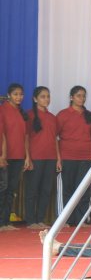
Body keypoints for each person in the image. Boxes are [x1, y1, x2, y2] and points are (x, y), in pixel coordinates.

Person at [56, 86, 91, 227]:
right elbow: (55, 137)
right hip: (67, 157)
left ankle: (81, 220)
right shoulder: (63, 115)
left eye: (84, 96)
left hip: (86, 157)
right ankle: (66, 220)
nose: (82, 98)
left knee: (84, 190)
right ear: (71, 97)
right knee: (68, 189)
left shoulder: (89, 115)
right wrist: (58, 158)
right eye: (78, 95)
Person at [25, 86, 60, 229]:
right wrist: (28, 157)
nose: (46, 99)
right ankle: (30, 220)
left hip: (50, 158)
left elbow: (55, 139)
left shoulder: (52, 117)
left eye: (48, 96)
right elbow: (26, 138)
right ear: (35, 99)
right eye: (43, 96)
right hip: (36, 157)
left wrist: (58, 158)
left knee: (46, 190)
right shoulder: (29, 115)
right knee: (32, 189)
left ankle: (40, 219)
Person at [0, 84, 32, 230]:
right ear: (9, 95)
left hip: (18, 156)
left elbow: (25, 137)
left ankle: (5, 221)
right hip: (5, 156)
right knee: (3, 188)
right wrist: (2, 155)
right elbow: (2, 134)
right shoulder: (3, 110)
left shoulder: (21, 113)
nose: (19, 97)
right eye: (15, 94)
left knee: (11, 190)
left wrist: (27, 156)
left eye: (21, 94)